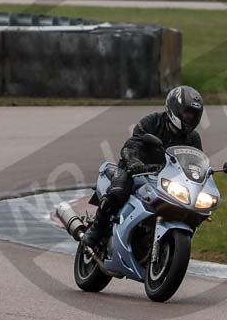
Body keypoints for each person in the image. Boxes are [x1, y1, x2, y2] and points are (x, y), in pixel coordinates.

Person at [82, 85, 204, 249]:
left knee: (194, 207)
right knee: (119, 191)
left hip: (165, 179)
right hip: (136, 171)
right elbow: (131, 145)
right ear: (174, 108)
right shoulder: (152, 121)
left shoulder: (193, 138)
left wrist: (202, 177)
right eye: (186, 113)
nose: (189, 118)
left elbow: (196, 163)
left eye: (193, 115)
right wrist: (134, 163)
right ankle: (96, 229)